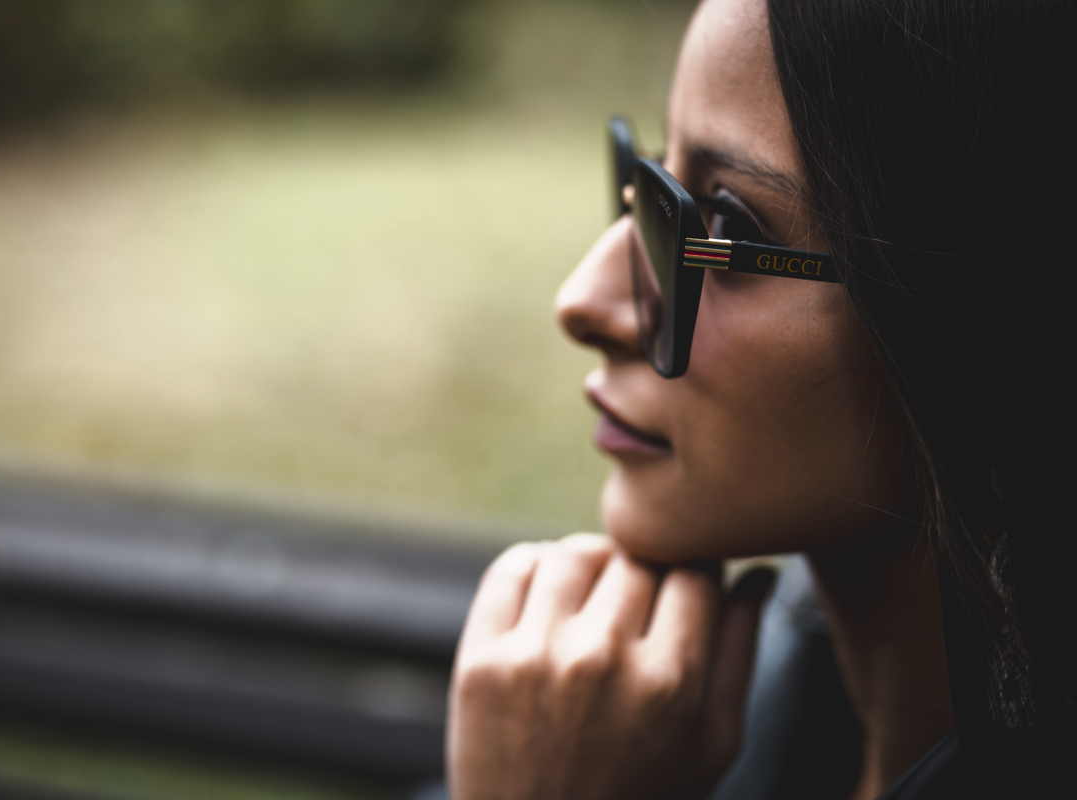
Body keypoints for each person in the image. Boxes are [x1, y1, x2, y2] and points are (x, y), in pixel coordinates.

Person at [444, 0, 1075, 798]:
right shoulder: (671, 732)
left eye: (725, 221)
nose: (583, 300)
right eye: (653, 189)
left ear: (995, 325)